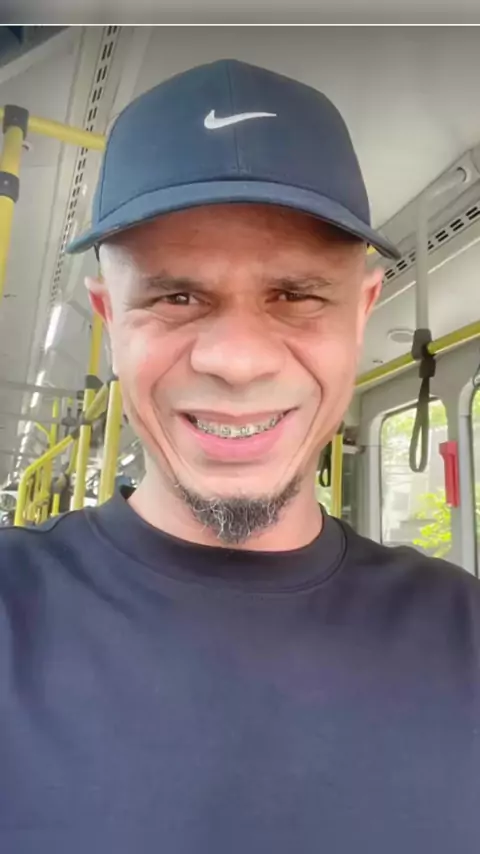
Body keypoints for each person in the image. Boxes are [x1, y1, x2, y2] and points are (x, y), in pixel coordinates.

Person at [0, 59, 478, 853]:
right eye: (176, 297)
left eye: (296, 295)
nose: (237, 361)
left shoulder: (464, 636)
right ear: (110, 320)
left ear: (362, 312)